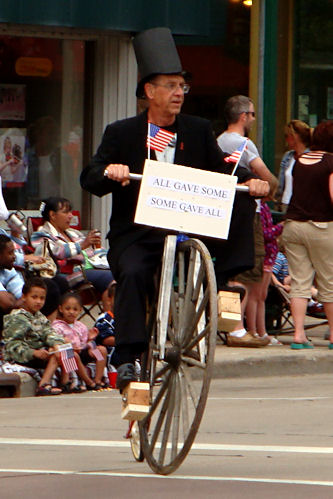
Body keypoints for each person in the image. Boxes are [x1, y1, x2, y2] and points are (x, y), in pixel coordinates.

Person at [80, 27, 269, 390]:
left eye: (183, 86)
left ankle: (228, 283)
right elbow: (89, 177)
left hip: (188, 227)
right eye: (171, 86)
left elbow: (222, 171)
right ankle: (131, 358)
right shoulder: (122, 132)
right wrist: (111, 171)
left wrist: (252, 180)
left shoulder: (197, 130)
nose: (179, 93)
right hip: (137, 233)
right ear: (150, 92)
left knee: (241, 193)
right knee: (133, 273)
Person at [217, 95, 277, 347]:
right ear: (243, 117)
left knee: (231, 270)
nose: (253, 118)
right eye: (251, 114)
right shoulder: (243, 144)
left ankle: (232, 326)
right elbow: (265, 176)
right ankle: (237, 329)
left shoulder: (218, 141)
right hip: (246, 212)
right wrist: (273, 189)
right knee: (246, 271)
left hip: (223, 211)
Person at [282, 120, 333, 349]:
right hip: (321, 226)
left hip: (293, 225)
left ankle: (299, 334)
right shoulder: (331, 162)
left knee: (299, 282)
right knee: (329, 282)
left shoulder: (300, 160)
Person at [30, 196, 113, 310]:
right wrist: (82, 245)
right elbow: (54, 252)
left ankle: (111, 319)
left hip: (91, 269)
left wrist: (110, 256)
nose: (71, 215)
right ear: (52, 215)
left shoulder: (74, 233)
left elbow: (96, 251)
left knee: (122, 274)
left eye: (70, 211)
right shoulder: (41, 235)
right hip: (68, 274)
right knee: (112, 278)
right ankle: (108, 321)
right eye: (66, 212)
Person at [2, 277, 66, 396]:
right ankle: (43, 385)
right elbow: (12, 346)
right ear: (24, 297)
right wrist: (34, 352)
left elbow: (49, 332)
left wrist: (56, 344)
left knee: (62, 348)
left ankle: (68, 382)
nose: (38, 301)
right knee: (56, 355)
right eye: (34, 297)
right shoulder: (17, 317)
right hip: (22, 357)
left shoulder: (39, 316)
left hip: (39, 354)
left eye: (42, 298)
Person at [245, 197, 283, 345]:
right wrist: (280, 227)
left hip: (269, 258)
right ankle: (253, 330)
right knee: (254, 296)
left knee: (262, 296)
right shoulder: (257, 209)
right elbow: (263, 234)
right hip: (262, 256)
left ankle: (263, 331)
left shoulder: (265, 207)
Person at [52, 292, 107, 389]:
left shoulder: (81, 327)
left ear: (80, 310)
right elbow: (57, 343)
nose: (71, 312)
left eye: (75, 309)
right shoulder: (57, 326)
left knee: (101, 350)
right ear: (61, 309)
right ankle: (88, 382)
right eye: (67, 309)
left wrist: (90, 342)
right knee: (72, 354)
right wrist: (72, 347)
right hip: (69, 354)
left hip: (83, 352)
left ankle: (98, 379)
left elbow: (85, 342)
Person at [276, 120, 311, 212]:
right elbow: (281, 182)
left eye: (286, 136)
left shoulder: (311, 157)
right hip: (286, 203)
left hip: (304, 206)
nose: (286, 140)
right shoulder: (288, 156)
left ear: (294, 137)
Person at [0, 234, 25, 336]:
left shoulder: (8, 269)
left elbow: (25, 298)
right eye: (10, 253)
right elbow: (7, 303)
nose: (14, 257)